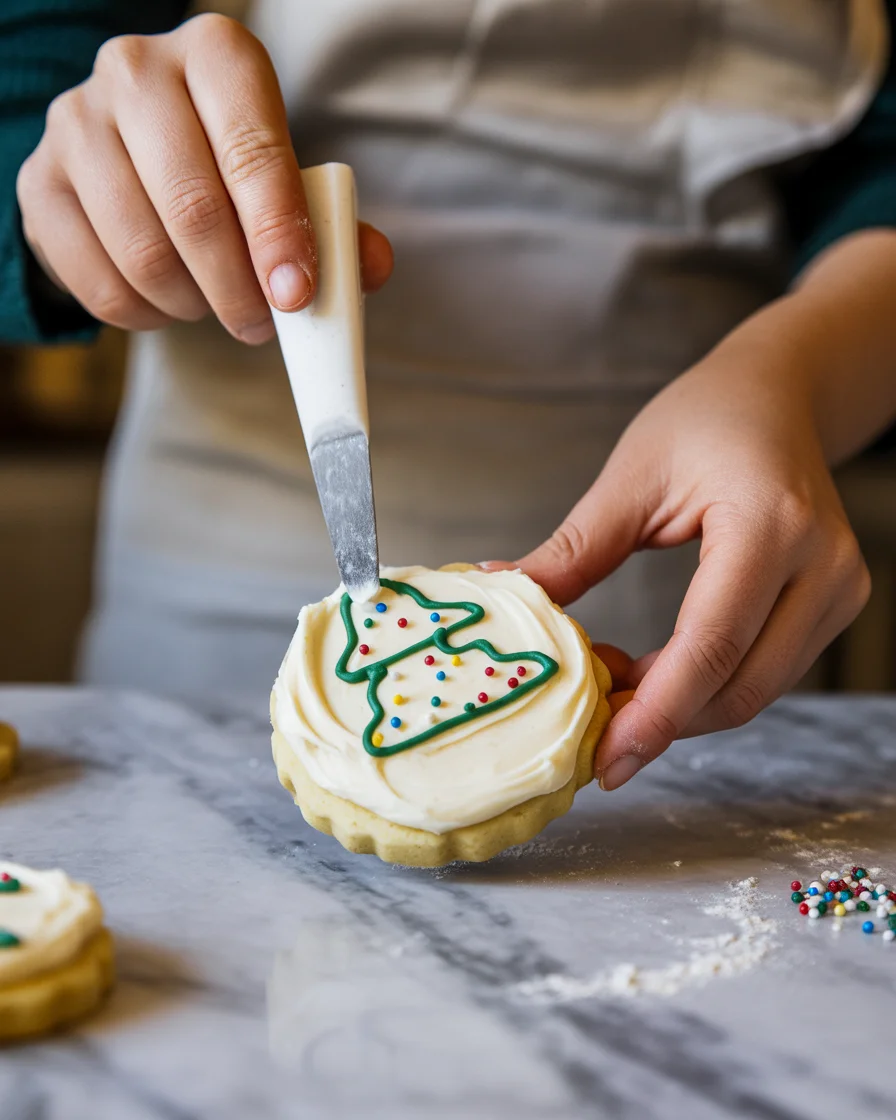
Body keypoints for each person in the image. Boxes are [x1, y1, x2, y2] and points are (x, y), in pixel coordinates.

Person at [2, 0, 895, 793]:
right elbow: (28, 84)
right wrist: (71, 186)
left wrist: (794, 375)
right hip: (225, 570)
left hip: (701, 570)